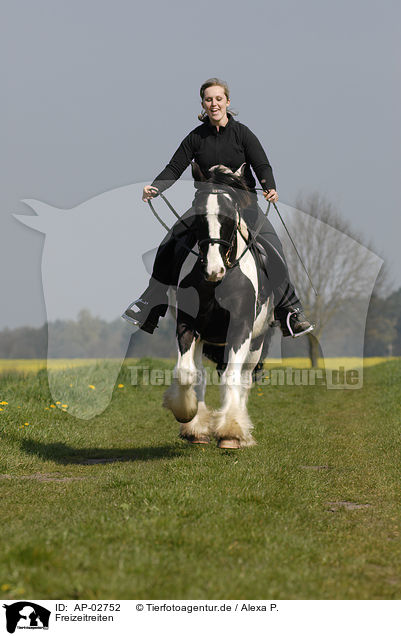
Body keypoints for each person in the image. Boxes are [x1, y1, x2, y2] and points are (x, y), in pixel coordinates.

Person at [123, 77, 313, 338]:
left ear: (227, 102)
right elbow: (174, 167)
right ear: (203, 103)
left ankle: (289, 310)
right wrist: (156, 187)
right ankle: (149, 303)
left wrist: (269, 186)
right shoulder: (195, 137)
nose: (214, 104)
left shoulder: (242, 134)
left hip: (243, 207)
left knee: (272, 247)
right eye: (208, 99)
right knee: (169, 244)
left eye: (218, 99)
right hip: (205, 206)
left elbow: (262, 165)